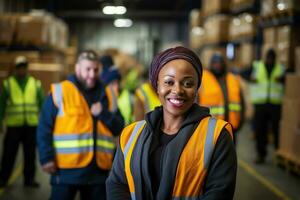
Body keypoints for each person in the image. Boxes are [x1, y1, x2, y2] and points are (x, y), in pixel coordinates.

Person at [106, 46, 237, 200]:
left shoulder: (217, 135)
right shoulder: (131, 134)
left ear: (197, 88)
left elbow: (219, 193)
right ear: (157, 86)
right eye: (169, 82)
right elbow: (117, 184)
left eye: (188, 84)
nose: (178, 90)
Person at [37, 50, 124, 200]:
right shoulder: (60, 91)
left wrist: (103, 114)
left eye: (95, 70)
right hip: (65, 171)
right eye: (87, 69)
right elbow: (44, 127)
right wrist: (46, 158)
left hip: (98, 172)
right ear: (77, 68)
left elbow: (119, 127)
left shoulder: (109, 94)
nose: (91, 74)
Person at [0, 55, 44, 188]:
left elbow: (42, 104)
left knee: (30, 155)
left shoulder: (35, 84)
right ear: (15, 69)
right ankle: (3, 179)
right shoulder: (8, 84)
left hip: (31, 126)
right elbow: (1, 105)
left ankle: (29, 180)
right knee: (8, 154)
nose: (21, 70)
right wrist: (0, 121)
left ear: (26, 68)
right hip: (14, 126)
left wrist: (45, 123)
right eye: (19, 67)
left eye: (23, 67)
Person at [198, 53, 245, 144]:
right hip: (209, 129)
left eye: (220, 63)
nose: (218, 65)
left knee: (230, 156)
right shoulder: (203, 79)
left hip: (231, 128)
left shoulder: (233, 79)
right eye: (215, 63)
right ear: (210, 64)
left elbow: (241, 103)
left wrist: (241, 121)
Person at [250, 49, 285, 164]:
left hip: (275, 104)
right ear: (266, 57)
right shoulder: (257, 66)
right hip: (260, 104)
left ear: (275, 58)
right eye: (269, 57)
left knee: (277, 130)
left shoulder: (281, 68)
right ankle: (261, 155)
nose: (270, 60)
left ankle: (278, 154)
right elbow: (247, 75)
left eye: (272, 58)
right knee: (260, 130)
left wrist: (282, 79)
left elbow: (287, 79)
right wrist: (251, 78)